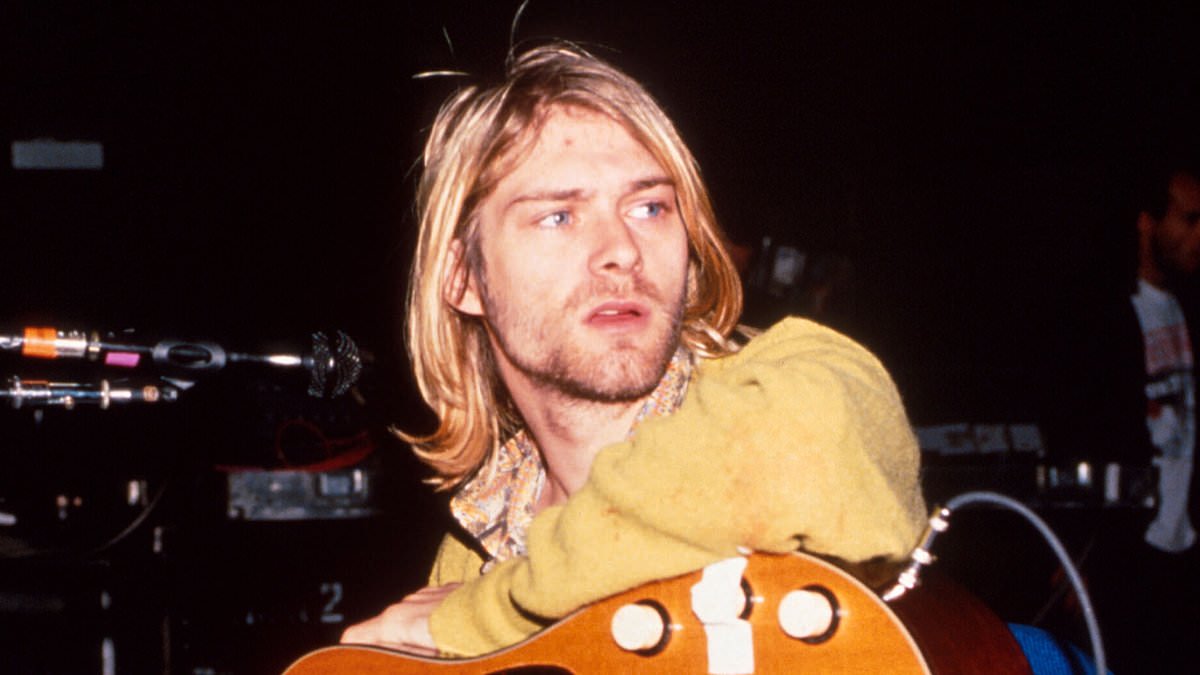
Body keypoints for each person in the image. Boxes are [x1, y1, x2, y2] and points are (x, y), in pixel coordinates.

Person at [340, 42, 927, 658]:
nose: (621, 249)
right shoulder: (470, 553)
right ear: (463, 278)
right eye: (558, 217)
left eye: (649, 207)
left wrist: (492, 614)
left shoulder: (796, 383)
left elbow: (806, 452)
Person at [1041, 161, 1200, 673]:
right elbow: (1070, 435)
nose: (1198, 236)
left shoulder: (1189, 306)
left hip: (1184, 548)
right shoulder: (1099, 314)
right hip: (1124, 554)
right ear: (1147, 222)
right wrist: (1069, 552)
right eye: (1189, 219)